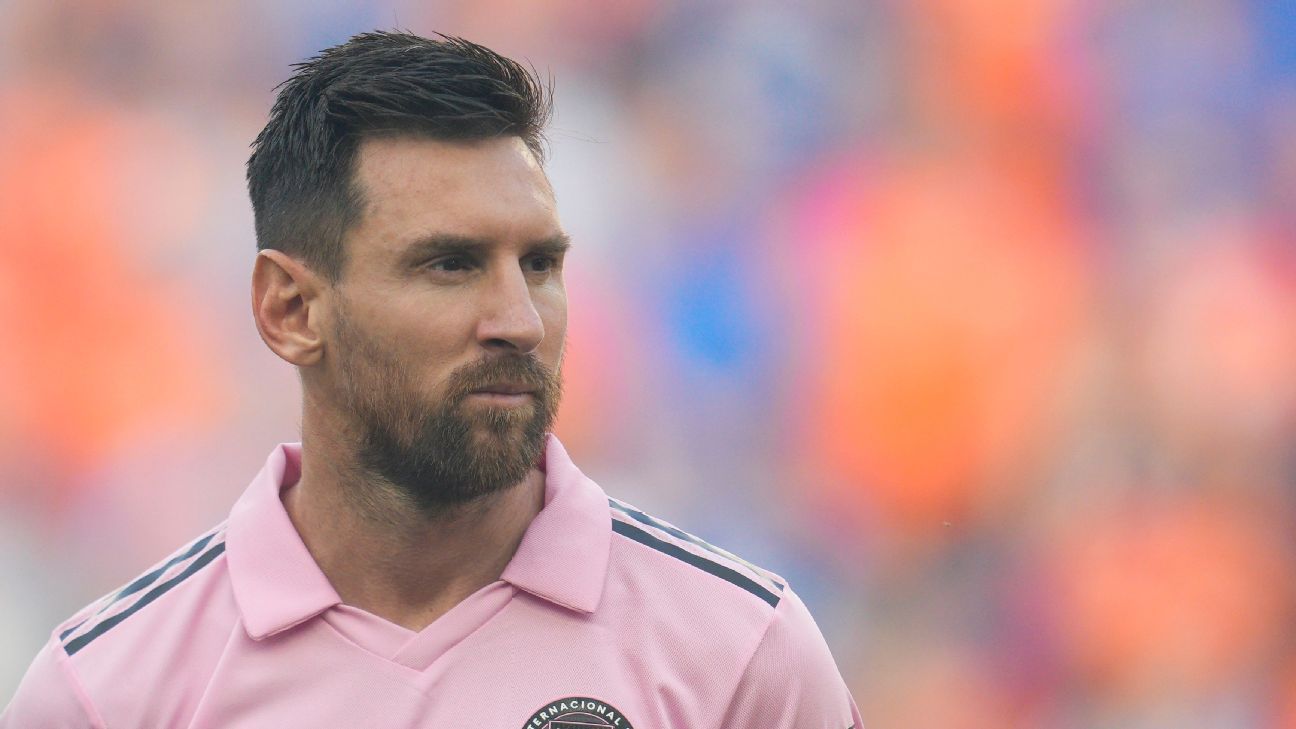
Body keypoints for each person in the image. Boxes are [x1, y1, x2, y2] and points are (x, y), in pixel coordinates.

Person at [1, 31, 862, 728]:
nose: (520, 320)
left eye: (540, 264)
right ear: (290, 309)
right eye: (450, 265)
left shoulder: (740, 657)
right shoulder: (109, 692)